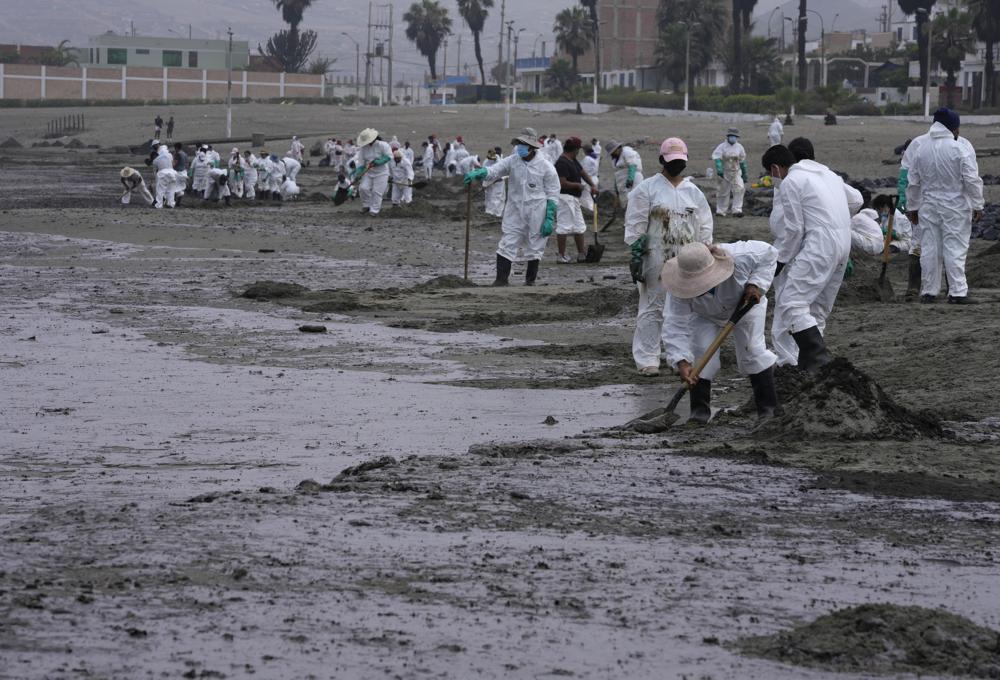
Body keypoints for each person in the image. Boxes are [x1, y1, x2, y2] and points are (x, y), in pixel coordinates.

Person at [763, 142, 862, 372]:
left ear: (776, 169)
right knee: (817, 310)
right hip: (843, 243)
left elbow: (795, 230)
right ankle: (809, 369)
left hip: (819, 245)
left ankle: (820, 362)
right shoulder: (829, 175)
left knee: (791, 304)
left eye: (771, 174)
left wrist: (780, 261)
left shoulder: (790, 182)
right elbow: (856, 200)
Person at [660, 241, 779, 425]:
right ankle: (698, 413)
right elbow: (675, 323)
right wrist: (681, 361)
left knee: (752, 351)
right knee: (700, 355)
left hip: (745, 305)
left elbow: (770, 254)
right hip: (703, 315)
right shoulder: (677, 287)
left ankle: (769, 409)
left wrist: (756, 283)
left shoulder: (740, 257)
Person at [623, 137, 713, 376]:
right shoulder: (647, 189)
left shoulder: (694, 193)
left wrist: (704, 255)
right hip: (655, 259)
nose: (676, 165)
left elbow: (705, 229)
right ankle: (647, 359)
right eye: (672, 160)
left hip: (688, 261)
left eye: (680, 161)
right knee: (653, 307)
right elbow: (635, 226)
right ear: (662, 160)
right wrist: (636, 253)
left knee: (686, 310)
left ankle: (681, 358)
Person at [905, 108, 985, 305]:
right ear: (953, 128)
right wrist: (978, 204)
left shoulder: (921, 148)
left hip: (928, 204)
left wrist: (912, 207)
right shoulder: (960, 148)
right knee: (955, 247)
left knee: (930, 247)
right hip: (955, 205)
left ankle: (929, 291)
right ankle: (957, 292)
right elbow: (971, 180)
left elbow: (913, 181)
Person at [464, 127, 560, 286]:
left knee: (535, 245)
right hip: (515, 209)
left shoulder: (546, 167)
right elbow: (495, 170)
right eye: (519, 143)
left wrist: (550, 216)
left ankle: (530, 281)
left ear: (532, 147)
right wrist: (480, 173)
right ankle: (501, 280)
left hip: (537, 211)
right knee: (507, 241)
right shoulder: (513, 160)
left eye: (523, 144)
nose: (519, 147)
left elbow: (553, 192)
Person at [554, 137, 598, 263]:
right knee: (564, 226)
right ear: (576, 149)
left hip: (574, 198)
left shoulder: (572, 160)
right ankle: (561, 255)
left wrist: (592, 185)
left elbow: (582, 172)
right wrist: (578, 185)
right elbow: (562, 183)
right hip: (564, 198)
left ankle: (581, 254)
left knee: (579, 226)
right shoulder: (561, 162)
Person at [352, 127, 393, 216]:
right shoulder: (363, 149)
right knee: (363, 188)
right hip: (369, 172)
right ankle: (366, 205)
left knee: (376, 192)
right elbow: (361, 163)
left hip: (382, 173)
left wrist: (379, 162)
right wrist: (358, 173)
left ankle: (374, 210)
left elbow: (389, 156)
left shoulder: (383, 145)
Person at [712, 128, 748, 217]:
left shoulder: (739, 147)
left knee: (739, 189)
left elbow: (742, 160)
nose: (733, 138)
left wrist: (744, 172)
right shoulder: (722, 147)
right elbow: (717, 158)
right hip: (725, 172)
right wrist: (719, 168)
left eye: (735, 136)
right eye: (731, 136)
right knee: (723, 191)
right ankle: (721, 211)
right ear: (728, 136)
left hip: (736, 172)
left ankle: (737, 210)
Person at [607, 140, 643, 208]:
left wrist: (630, 179)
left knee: (634, 199)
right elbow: (616, 174)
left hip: (633, 181)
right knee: (625, 200)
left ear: (617, 148)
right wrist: (616, 190)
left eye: (612, 152)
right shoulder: (615, 159)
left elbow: (632, 165)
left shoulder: (627, 152)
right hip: (622, 183)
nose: (612, 154)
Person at [483, 147, 506, 218]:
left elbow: (504, 172)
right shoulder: (486, 161)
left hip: (498, 183)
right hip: (489, 183)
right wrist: (484, 184)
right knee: (489, 197)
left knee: (497, 198)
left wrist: (500, 178)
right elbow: (484, 172)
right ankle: (489, 213)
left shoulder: (500, 162)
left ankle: (496, 214)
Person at [152, 145, 177, 209]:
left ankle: (159, 205)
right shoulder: (170, 155)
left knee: (160, 190)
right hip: (172, 174)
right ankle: (171, 204)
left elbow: (155, 171)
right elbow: (172, 163)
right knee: (171, 190)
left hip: (163, 174)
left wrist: (156, 179)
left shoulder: (156, 160)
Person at [580, 143, 600, 213]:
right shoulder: (594, 158)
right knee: (592, 197)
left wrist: (582, 183)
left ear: (585, 150)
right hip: (594, 179)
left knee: (586, 197)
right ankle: (594, 211)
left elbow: (585, 171)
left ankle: (590, 211)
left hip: (588, 180)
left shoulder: (587, 159)